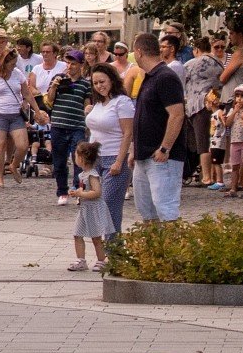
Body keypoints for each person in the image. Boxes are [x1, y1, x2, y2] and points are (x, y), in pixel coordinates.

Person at [129, 31, 189, 222]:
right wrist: (134, 149)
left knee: (165, 208)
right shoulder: (149, 77)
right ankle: (154, 251)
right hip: (144, 154)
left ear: (138, 52)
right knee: (146, 209)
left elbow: (177, 114)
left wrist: (165, 147)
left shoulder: (165, 77)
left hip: (162, 156)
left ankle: (172, 250)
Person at [0, 47, 48, 188]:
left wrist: (38, 111)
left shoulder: (17, 74)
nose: (13, 67)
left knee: (23, 145)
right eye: (11, 64)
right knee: (0, 145)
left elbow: (27, 94)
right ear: (4, 63)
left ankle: (13, 165)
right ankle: (0, 178)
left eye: (15, 64)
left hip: (15, 114)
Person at [84, 62, 135, 235]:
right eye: (96, 83)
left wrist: (119, 162)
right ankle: (103, 252)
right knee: (95, 205)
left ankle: (114, 251)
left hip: (115, 157)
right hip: (96, 159)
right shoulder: (98, 104)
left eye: (102, 81)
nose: (99, 86)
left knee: (109, 205)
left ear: (112, 80)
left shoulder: (122, 102)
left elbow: (128, 133)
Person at [44, 49, 92, 205]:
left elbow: (87, 104)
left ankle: (78, 189)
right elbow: (49, 101)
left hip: (77, 125)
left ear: (80, 65)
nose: (70, 66)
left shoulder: (85, 84)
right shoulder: (58, 79)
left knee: (78, 159)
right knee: (59, 161)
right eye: (68, 63)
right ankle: (62, 191)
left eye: (73, 63)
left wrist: (88, 118)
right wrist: (54, 87)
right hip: (58, 125)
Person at [182, 36, 223, 188]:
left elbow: (182, 83)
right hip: (214, 104)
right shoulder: (219, 62)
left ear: (196, 50)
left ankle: (206, 177)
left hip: (196, 105)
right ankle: (212, 174)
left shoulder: (190, 64)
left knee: (202, 143)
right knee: (214, 141)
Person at [67, 141, 115, 272]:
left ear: (82, 158)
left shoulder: (92, 174)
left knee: (96, 236)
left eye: (76, 155)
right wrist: (77, 193)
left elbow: (97, 192)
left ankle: (101, 260)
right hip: (84, 209)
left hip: (93, 209)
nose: (74, 158)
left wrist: (80, 193)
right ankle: (81, 260)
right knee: (77, 234)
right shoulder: (82, 174)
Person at [224, 86, 243, 199]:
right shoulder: (232, 110)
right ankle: (233, 187)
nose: (239, 99)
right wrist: (235, 111)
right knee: (235, 165)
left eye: (242, 97)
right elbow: (227, 123)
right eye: (237, 96)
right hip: (234, 141)